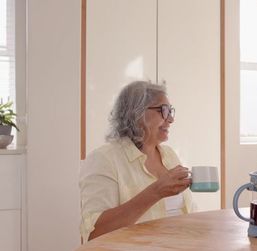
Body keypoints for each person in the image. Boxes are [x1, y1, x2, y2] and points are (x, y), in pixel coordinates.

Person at [79, 80, 193, 242]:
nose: (170, 119)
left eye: (171, 111)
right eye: (164, 110)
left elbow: (186, 212)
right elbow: (95, 233)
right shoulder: (103, 159)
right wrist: (156, 191)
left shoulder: (169, 155)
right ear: (137, 113)